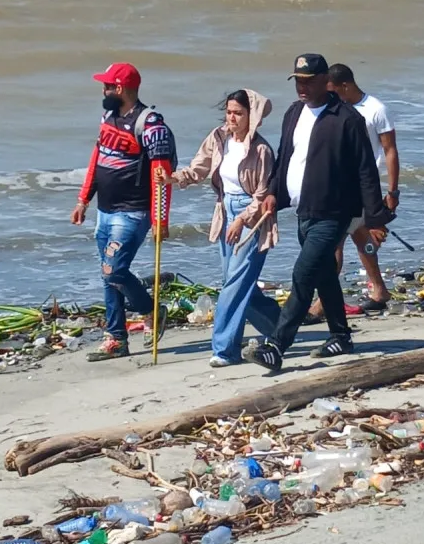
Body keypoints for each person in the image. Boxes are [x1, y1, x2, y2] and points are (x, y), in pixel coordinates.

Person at [244, 53, 394, 372]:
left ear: (325, 80)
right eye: (298, 80)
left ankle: (276, 345)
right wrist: (272, 192)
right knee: (324, 273)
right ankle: (340, 335)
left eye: (309, 81)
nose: (302, 86)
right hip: (304, 210)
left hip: (335, 212)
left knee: (303, 273)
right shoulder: (294, 112)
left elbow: (366, 170)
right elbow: (285, 157)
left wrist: (375, 215)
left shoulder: (348, 119)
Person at [156, 90, 280, 366]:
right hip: (225, 212)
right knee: (236, 283)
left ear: (252, 116)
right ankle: (281, 328)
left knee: (235, 285)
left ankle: (224, 350)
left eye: (239, 113)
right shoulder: (218, 138)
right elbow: (198, 169)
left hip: (252, 218)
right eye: (229, 112)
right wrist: (172, 178)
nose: (232, 118)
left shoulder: (261, 150)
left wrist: (242, 219)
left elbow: (262, 195)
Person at [72, 63, 176, 362]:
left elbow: (162, 174)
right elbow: (97, 157)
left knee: (113, 269)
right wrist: (83, 200)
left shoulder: (151, 124)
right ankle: (116, 338)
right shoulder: (108, 116)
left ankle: (151, 310)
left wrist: (160, 220)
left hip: (132, 212)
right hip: (105, 211)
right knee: (108, 275)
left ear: (120, 88)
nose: (102, 91)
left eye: (107, 86)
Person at [318, 63, 400, 311]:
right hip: (337, 185)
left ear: (345, 85)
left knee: (334, 242)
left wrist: (392, 192)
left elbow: (390, 151)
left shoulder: (375, 109)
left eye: (333, 90)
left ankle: (323, 303)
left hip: (364, 187)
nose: (329, 95)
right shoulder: (332, 108)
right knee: (361, 237)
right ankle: (379, 289)